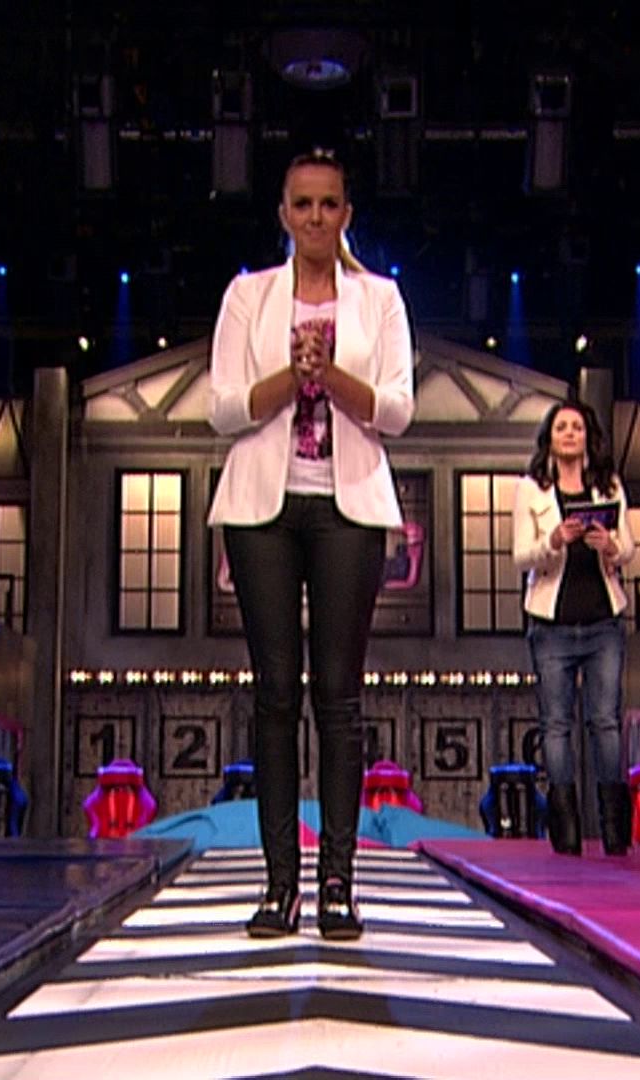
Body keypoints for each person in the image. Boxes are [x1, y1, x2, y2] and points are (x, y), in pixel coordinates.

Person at [207, 149, 415, 941]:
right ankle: (277, 885)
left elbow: (397, 410)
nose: (317, 217)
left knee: (339, 695)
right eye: (303, 204)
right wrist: (291, 380)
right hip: (262, 507)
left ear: (346, 214)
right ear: (284, 215)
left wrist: (332, 374)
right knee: (274, 694)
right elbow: (224, 409)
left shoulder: (381, 298)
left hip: (347, 506)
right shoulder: (248, 294)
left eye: (329, 204)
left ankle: (337, 882)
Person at [514, 400, 638, 858]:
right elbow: (520, 556)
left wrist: (611, 545)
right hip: (552, 625)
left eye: (577, 427)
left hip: (603, 621)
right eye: (562, 427)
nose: (570, 433)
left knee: (605, 722)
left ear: (588, 437)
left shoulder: (609, 485)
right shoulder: (531, 489)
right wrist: (554, 540)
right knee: (556, 726)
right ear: (549, 437)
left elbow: (630, 548)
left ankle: (614, 830)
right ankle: (565, 830)